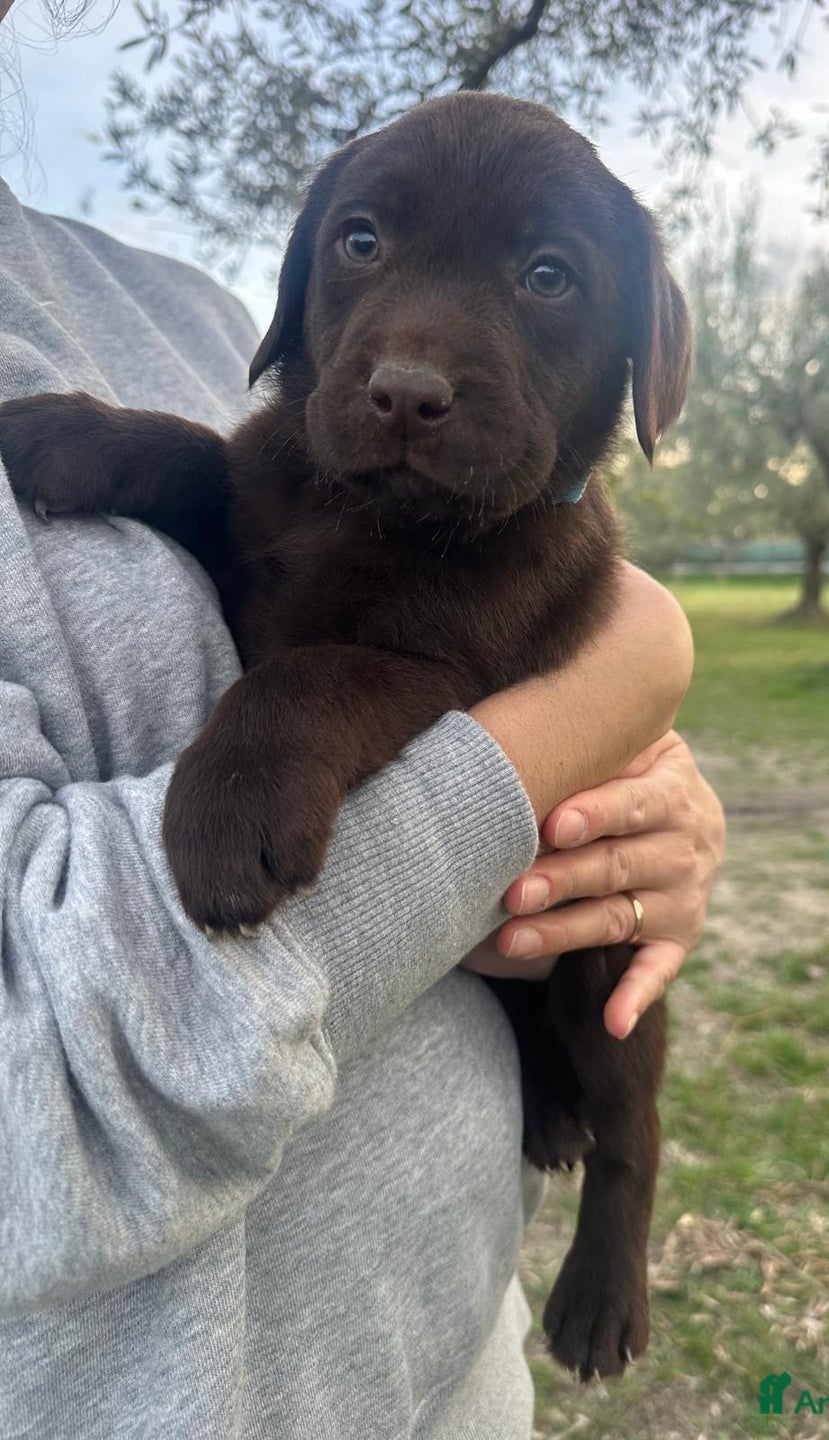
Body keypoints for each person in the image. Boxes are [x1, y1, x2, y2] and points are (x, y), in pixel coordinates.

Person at [0, 164, 724, 1437]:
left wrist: (652, 778)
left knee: (605, 1018)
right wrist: (149, 456)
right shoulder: (294, 422)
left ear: (635, 361)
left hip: (449, 1368)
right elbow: (246, 518)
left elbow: (429, 669)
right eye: (366, 241)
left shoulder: (536, 541)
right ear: (302, 290)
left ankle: (622, 1179)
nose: (411, 363)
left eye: (547, 277)